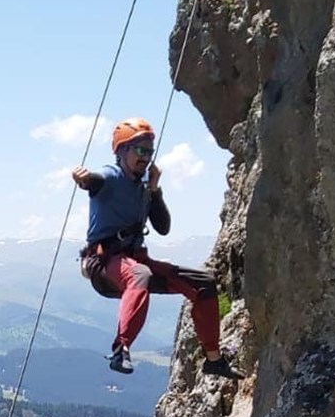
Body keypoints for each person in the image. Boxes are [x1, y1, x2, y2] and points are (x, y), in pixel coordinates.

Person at [74, 117, 238, 380]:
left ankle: (214, 359)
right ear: (122, 151)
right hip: (106, 265)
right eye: (140, 150)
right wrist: (82, 178)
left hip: (136, 261)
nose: (146, 157)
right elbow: (93, 181)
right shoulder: (110, 176)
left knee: (204, 283)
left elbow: (163, 227)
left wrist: (154, 190)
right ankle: (121, 348)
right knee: (140, 274)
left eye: (149, 151)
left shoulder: (143, 189)